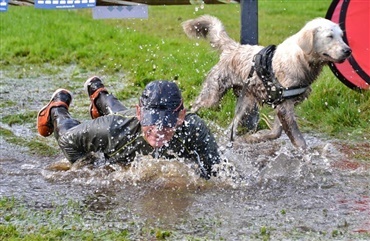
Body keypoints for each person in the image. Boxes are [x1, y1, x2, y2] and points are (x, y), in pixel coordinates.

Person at [37, 77, 221, 179]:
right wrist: (88, 167)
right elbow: (68, 141)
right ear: (140, 113)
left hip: (125, 122)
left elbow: (216, 172)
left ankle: (98, 92)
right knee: (116, 122)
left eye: (166, 123)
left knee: (121, 117)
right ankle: (57, 108)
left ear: (181, 116)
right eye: (151, 121)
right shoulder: (112, 128)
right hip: (117, 125)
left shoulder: (194, 129)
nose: (157, 131)